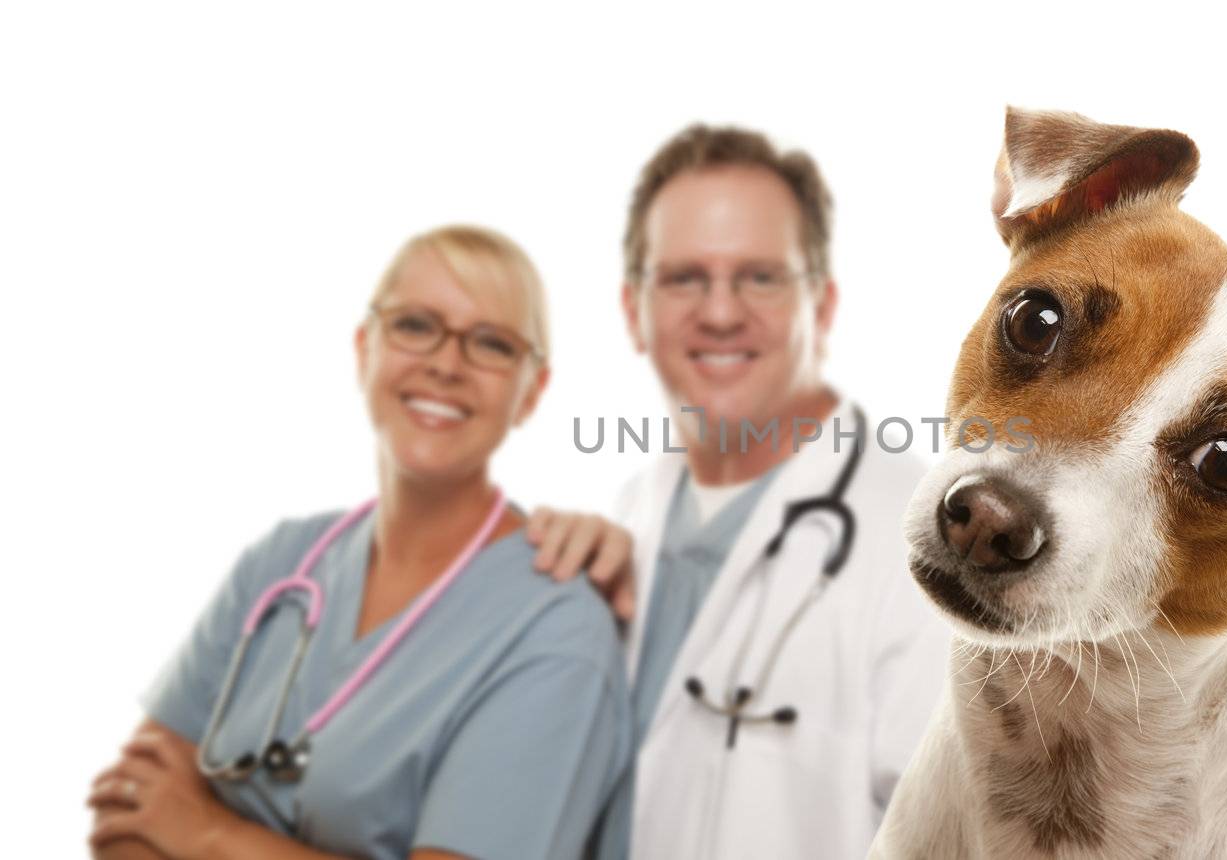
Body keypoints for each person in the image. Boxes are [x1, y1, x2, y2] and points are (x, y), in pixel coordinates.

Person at [86, 226, 630, 860]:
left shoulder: (554, 630)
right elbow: (128, 812)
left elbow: (170, 822)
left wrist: (206, 833)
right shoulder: (282, 563)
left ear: (531, 393)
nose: (446, 364)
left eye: (491, 344)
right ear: (364, 346)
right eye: (415, 325)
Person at [527, 125, 949, 859]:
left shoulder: (921, 549)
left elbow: (960, 839)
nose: (720, 313)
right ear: (634, 310)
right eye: (684, 277)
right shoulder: (627, 516)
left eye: (760, 276)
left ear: (821, 306)